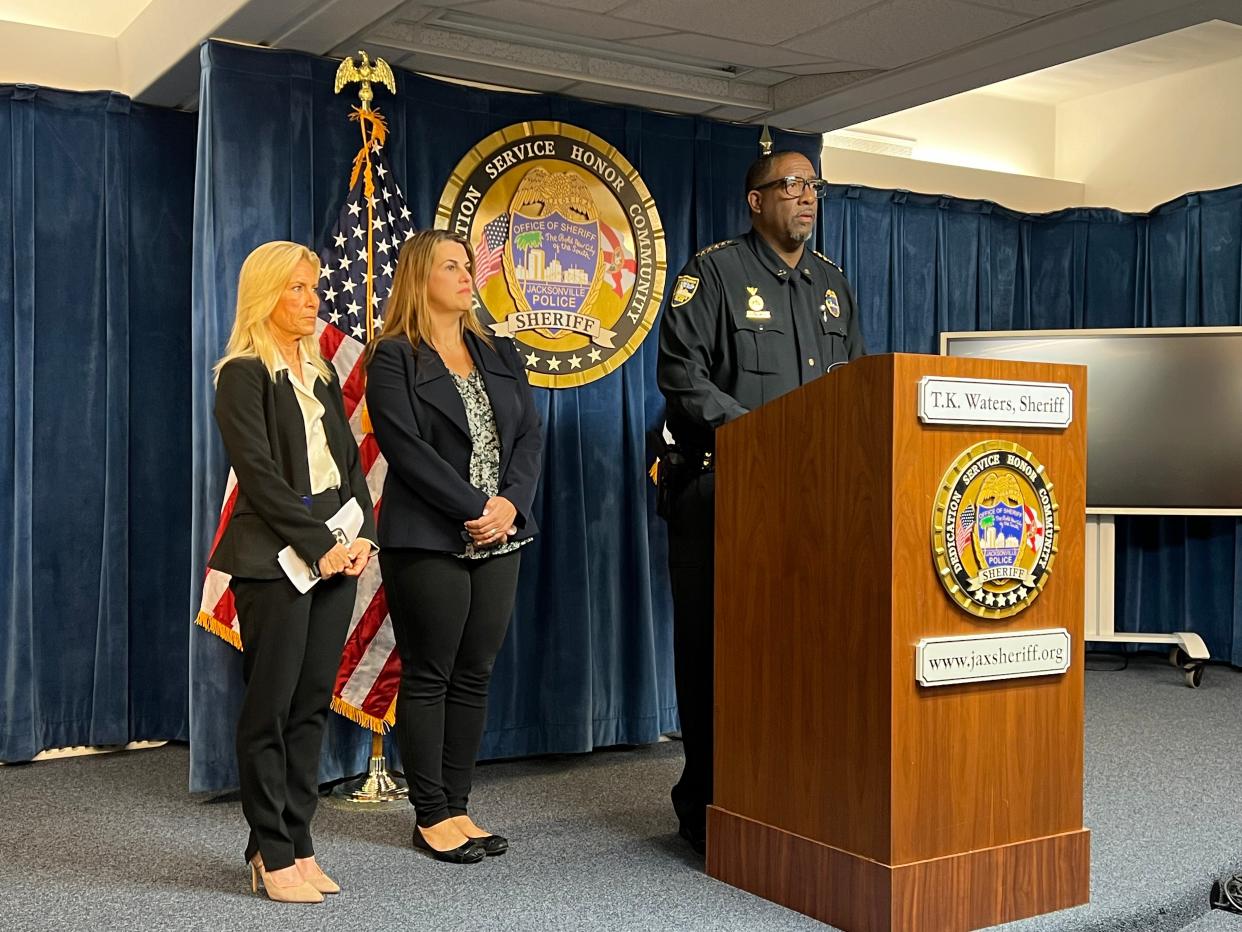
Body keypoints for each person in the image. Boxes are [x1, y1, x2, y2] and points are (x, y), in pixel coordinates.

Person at [656, 149, 866, 854]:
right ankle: (708, 808)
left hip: (816, 502)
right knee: (719, 654)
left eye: (814, 187)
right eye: (790, 186)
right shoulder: (713, 273)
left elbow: (857, 387)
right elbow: (682, 378)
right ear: (755, 201)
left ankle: (790, 797)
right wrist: (770, 438)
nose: (805, 198)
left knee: (806, 655)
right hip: (724, 492)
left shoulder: (833, 283)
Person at [364, 229, 543, 864]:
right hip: (430, 537)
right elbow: (404, 449)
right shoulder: (392, 356)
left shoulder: (497, 350)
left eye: (469, 265)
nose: (469, 275)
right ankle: (430, 815)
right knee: (431, 673)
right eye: (452, 266)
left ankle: (460, 808)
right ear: (421, 278)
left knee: (475, 672)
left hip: (502, 534)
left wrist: (508, 507)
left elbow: (528, 436)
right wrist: (475, 508)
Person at [211, 241, 377, 902]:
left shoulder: (320, 371)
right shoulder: (242, 373)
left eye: (314, 288)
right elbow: (262, 478)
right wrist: (319, 543)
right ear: (266, 295)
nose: (313, 301)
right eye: (298, 290)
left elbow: (349, 464)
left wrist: (361, 533)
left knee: (311, 705)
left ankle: (297, 842)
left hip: (337, 553)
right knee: (270, 709)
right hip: (273, 557)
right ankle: (269, 851)